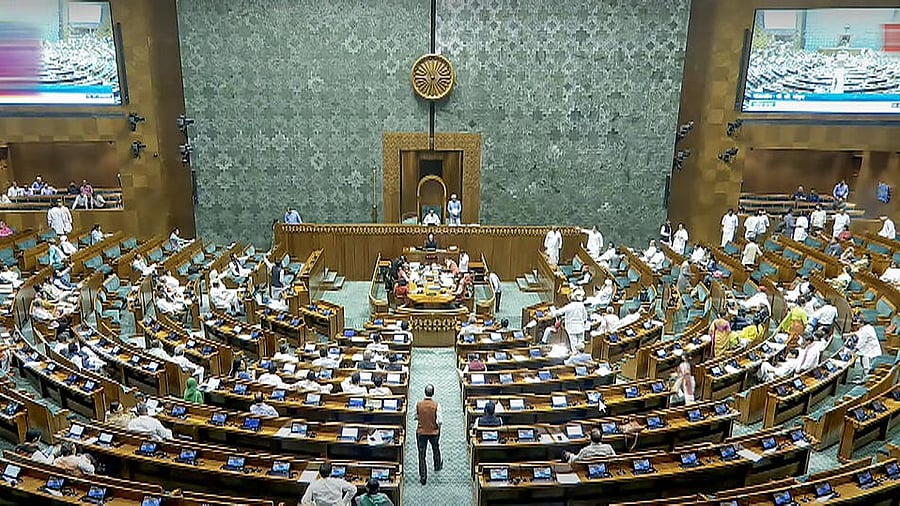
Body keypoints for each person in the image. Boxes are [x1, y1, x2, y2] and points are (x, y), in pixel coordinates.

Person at [415, 384, 442, 485]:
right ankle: (437, 466)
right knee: (436, 448)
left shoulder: (418, 404)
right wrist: (438, 430)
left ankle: (423, 477)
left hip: (421, 432)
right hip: (433, 432)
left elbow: (415, 417)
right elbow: (439, 421)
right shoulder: (437, 405)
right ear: (433, 393)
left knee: (421, 455)